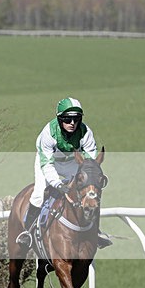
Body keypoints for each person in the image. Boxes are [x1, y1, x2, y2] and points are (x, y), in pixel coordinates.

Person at [16, 96, 111, 248]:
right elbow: (46, 164)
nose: (72, 123)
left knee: (89, 194)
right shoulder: (48, 133)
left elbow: (89, 160)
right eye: (67, 119)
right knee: (39, 194)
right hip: (48, 162)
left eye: (76, 119)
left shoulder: (85, 132)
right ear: (60, 119)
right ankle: (27, 232)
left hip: (73, 162)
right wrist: (58, 184)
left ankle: (95, 231)